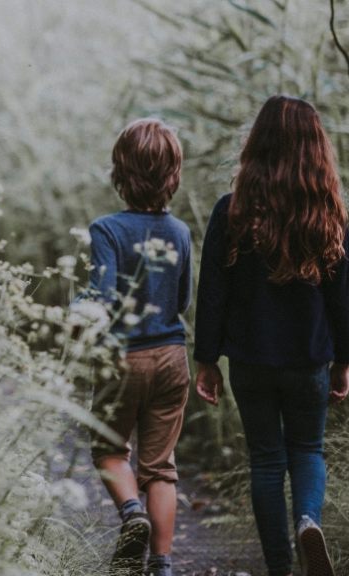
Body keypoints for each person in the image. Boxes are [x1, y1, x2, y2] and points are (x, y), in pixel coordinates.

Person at [194, 95, 349, 576]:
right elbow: (343, 298)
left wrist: (206, 359)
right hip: (308, 360)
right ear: (315, 149)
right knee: (307, 449)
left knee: (265, 459)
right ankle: (308, 522)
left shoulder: (232, 212)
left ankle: (279, 566)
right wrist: (344, 361)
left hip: (251, 360)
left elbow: (212, 292)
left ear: (255, 146)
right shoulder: (328, 214)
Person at [88, 118, 192, 576]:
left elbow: (103, 295)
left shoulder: (106, 230)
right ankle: (163, 564)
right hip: (172, 356)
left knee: (109, 449)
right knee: (161, 467)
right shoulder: (181, 233)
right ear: (173, 175)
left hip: (122, 357)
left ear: (119, 173)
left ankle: (133, 514)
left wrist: (79, 310)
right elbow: (184, 297)